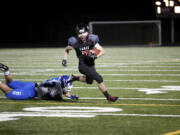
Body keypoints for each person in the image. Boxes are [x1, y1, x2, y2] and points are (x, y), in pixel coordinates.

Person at [61, 23, 118, 102]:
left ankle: (74, 78)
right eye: (80, 33)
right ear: (77, 34)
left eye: (84, 32)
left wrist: (96, 56)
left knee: (89, 81)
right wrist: (64, 59)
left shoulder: (92, 39)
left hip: (91, 64)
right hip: (83, 66)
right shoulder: (74, 42)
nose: (82, 35)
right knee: (99, 78)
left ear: (87, 31)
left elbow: (102, 51)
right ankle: (108, 97)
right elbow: (67, 49)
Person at [0, 63, 78, 100]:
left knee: (10, 83)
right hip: (30, 92)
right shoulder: (55, 86)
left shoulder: (57, 82)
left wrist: (72, 96)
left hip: (31, 85)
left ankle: (6, 70)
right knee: (9, 93)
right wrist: (57, 98)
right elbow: (43, 96)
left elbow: (64, 92)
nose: (67, 89)